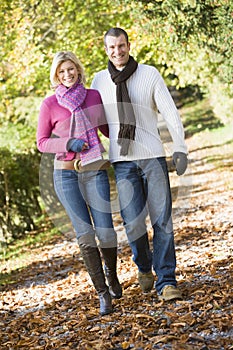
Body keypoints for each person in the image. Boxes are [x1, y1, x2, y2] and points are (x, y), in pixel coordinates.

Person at [91, 28, 188, 301]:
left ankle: (167, 280)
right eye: (111, 47)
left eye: (121, 46)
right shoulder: (99, 81)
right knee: (133, 224)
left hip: (153, 158)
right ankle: (144, 267)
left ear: (129, 45)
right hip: (122, 162)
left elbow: (169, 111)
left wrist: (180, 148)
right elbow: (95, 121)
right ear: (106, 49)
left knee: (162, 221)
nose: (117, 52)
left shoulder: (149, 74)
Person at [37, 51, 122, 316]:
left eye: (71, 69)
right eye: (61, 72)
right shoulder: (50, 104)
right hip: (65, 174)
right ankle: (102, 293)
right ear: (55, 75)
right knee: (85, 234)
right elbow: (41, 142)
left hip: (93, 168)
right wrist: (67, 143)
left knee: (106, 231)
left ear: (78, 69)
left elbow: (108, 129)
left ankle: (111, 273)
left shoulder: (93, 96)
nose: (67, 75)